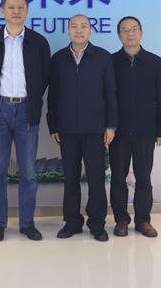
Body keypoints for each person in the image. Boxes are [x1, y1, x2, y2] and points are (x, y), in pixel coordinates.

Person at [0, 0, 50, 242]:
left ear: (27, 11)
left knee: (28, 172)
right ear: (2, 11)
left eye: (21, 7)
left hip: (26, 111)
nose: (16, 11)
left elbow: (44, 77)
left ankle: (27, 222)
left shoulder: (38, 42)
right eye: (11, 7)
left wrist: (30, 101)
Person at [47, 14, 118, 242]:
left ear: (90, 30)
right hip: (66, 129)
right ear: (68, 30)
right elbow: (53, 95)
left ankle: (97, 224)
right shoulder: (58, 58)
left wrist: (110, 125)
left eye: (84, 26)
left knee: (96, 179)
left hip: (95, 129)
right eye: (74, 26)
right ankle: (72, 222)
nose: (79, 30)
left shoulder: (103, 57)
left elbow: (110, 93)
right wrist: (53, 125)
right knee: (70, 178)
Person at [110, 16, 161, 238]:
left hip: (146, 130)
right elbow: (106, 97)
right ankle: (121, 219)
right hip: (118, 131)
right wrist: (108, 127)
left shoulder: (156, 62)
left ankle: (143, 220)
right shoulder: (111, 61)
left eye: (134, 29)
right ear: (119, 36)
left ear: (141, 33)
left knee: (144, 178)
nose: (130, 33)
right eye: (125, 30)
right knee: (118, 177)